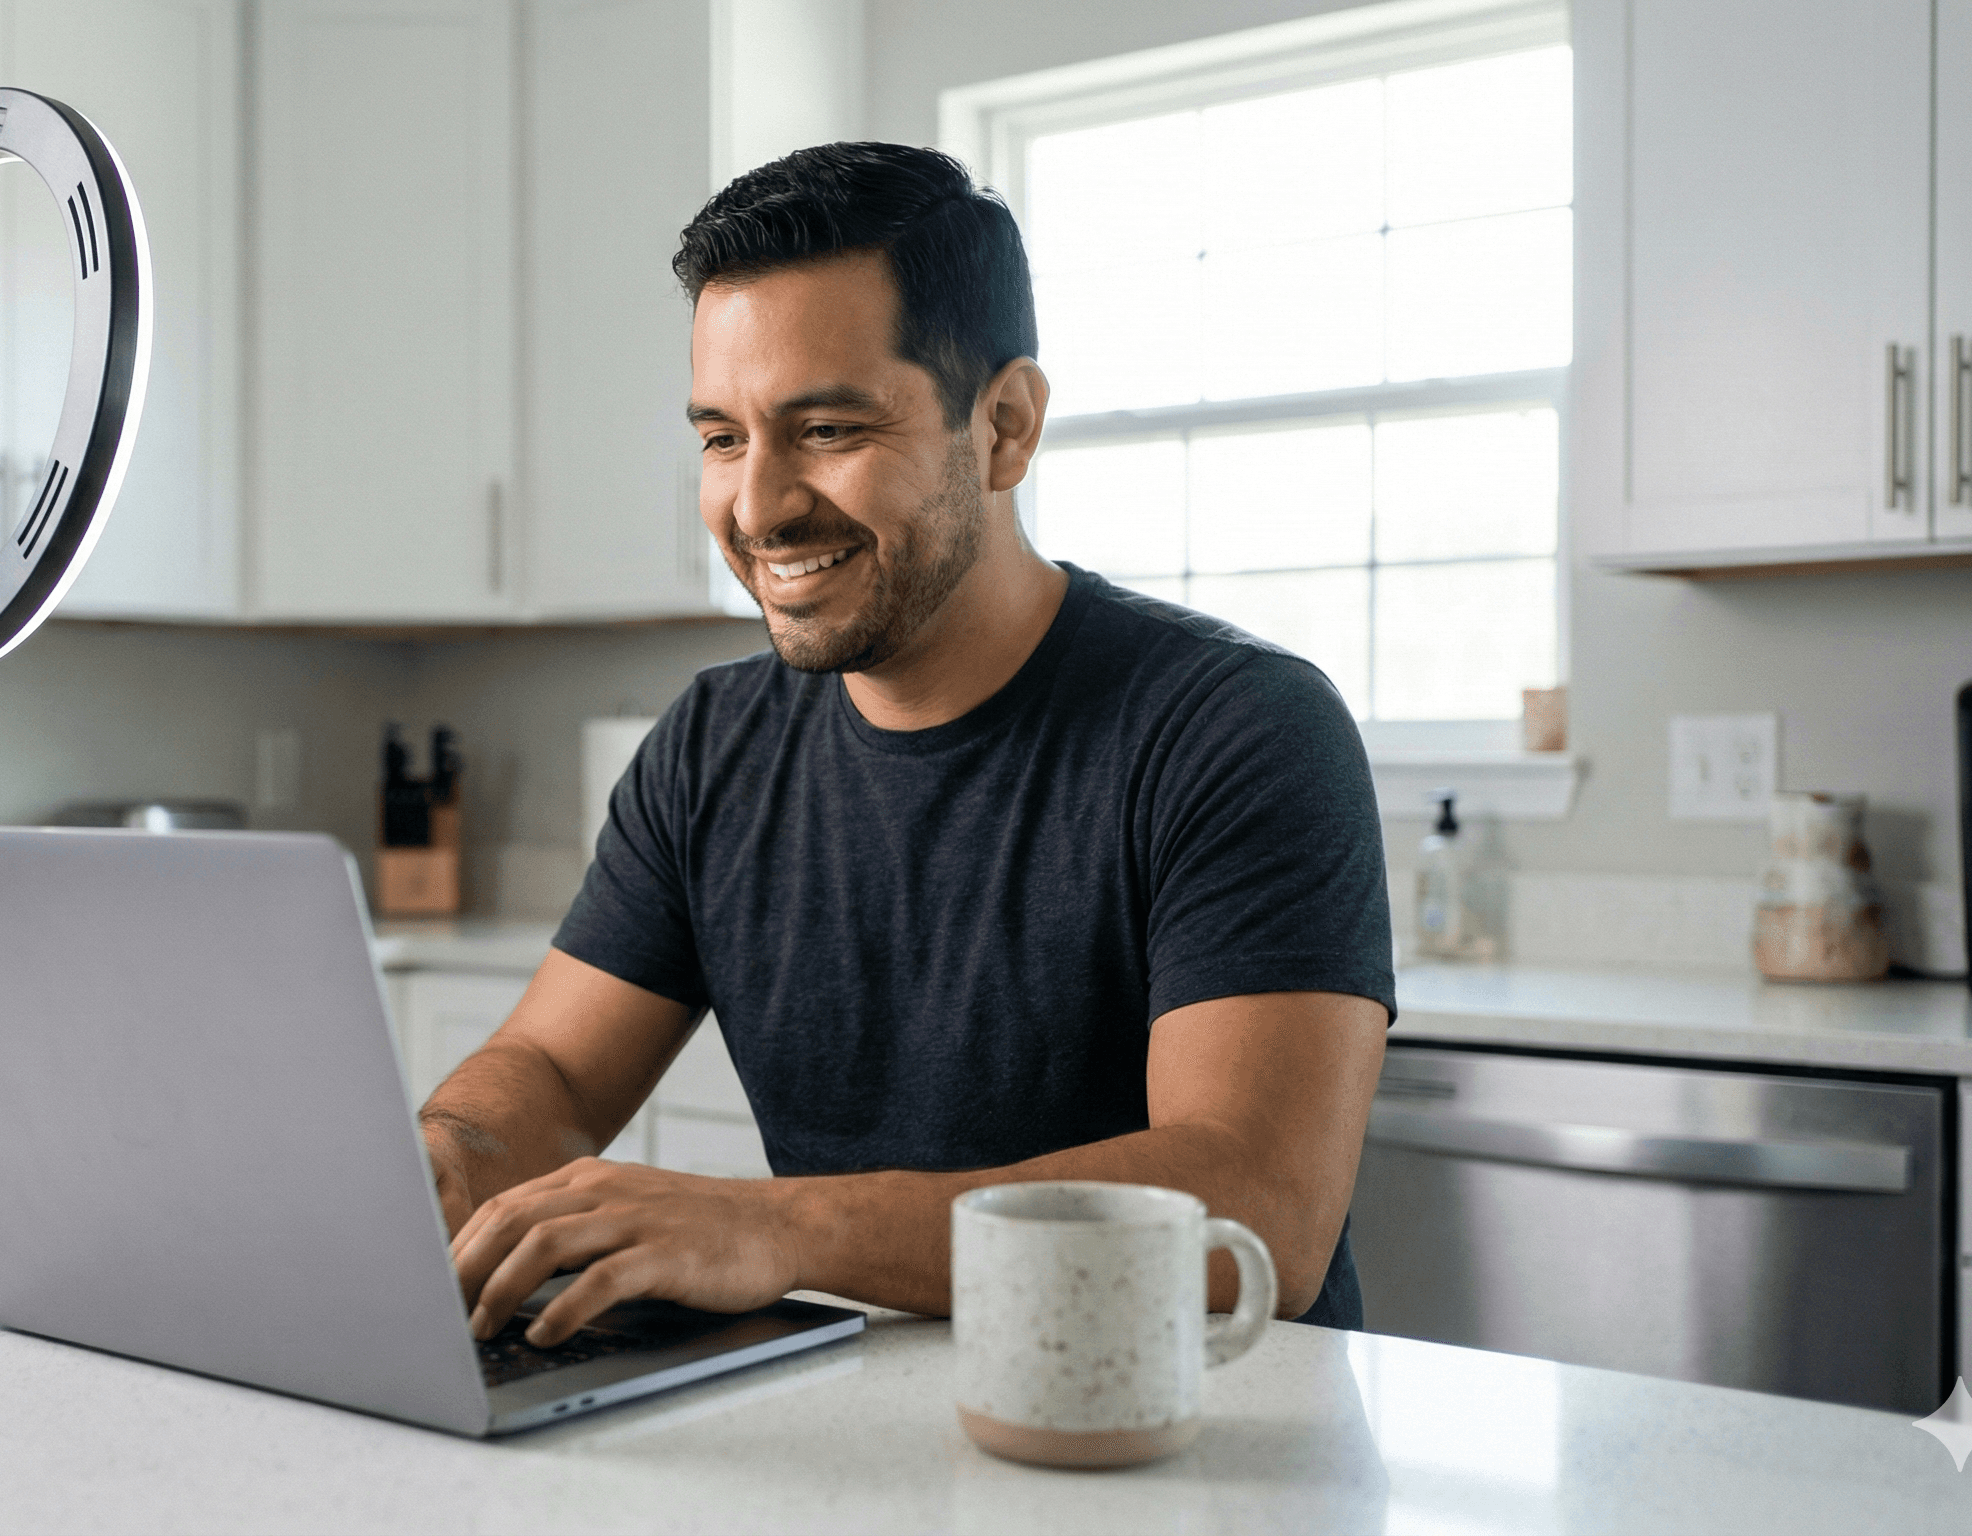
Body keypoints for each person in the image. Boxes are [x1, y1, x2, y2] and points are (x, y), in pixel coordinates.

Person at [426, 142, 1392, 1348]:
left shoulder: (1235, 727)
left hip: (1182, 1445)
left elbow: (1256, 1207)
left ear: (1003, 426)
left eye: (825, 428)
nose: (758, 504)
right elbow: (554, 1076)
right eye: (721, 438)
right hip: (852, 1432)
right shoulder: (709, 746)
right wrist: (448, 1155)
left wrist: (778, 1228)